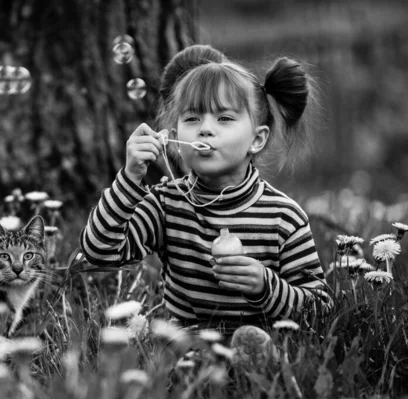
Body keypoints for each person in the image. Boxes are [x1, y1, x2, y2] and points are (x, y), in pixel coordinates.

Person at [80, 44, 332, 346]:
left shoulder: (283, 217)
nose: (205, 130)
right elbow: (99, 253)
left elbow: (321, 310)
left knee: (253, 347)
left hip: (263, 346)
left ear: (257, 138)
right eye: (192, 119)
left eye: (224, 118)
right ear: (173, 138)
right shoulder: (166, 204)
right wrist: (130, 177)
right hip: (186, 348)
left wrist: (266, 286)